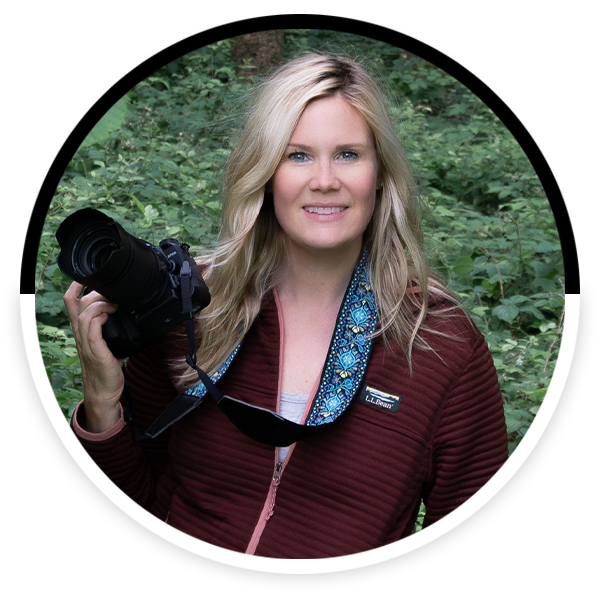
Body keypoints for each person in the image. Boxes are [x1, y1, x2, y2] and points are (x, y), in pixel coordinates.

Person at [64, 53, 517, 560]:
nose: (324, 180)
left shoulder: (440, 343)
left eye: (348, 154)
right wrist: (102, 402)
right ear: (264, 172)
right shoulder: (194, 306)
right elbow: (133, 512)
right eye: (297, 155)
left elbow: (478, 551)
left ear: (380, 173)